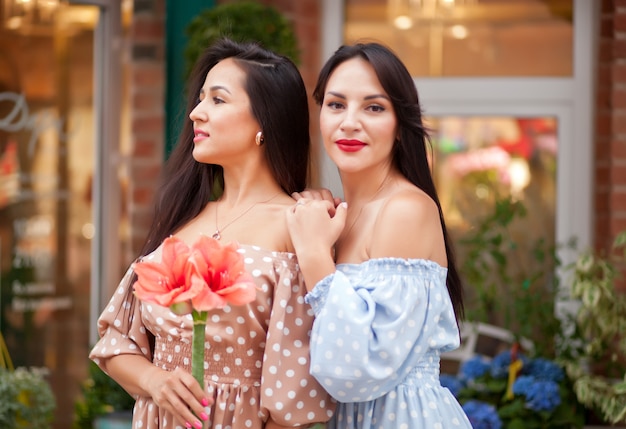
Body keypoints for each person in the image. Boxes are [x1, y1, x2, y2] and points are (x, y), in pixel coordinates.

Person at [90, 38, 334, 429]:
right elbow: (118, 343)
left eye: (217, 100)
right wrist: (155, 380)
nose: (195, 113)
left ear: (264, 122)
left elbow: (298, 388)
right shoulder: (184, 217)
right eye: (200, 98)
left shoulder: (298, 224)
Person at [285, 42, 472, 428]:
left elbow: (358, 367)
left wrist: (315, 253)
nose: (349, 122)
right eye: (336, 105)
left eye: (374, 107)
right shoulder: (338, 217)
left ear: (401, 126)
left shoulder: (405, 209)